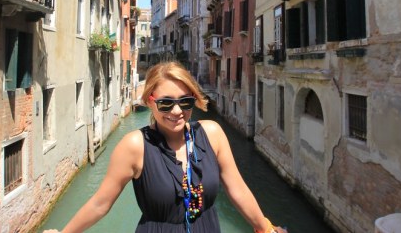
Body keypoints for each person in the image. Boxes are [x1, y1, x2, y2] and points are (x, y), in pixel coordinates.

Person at [45, 61, 287, 233]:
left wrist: (265, 228)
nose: (177, 111)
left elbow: (238, 189)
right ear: (150, 101)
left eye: (185, 101)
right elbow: (101, 203)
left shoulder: (212, 134)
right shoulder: (134, 146)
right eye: (165, 103)